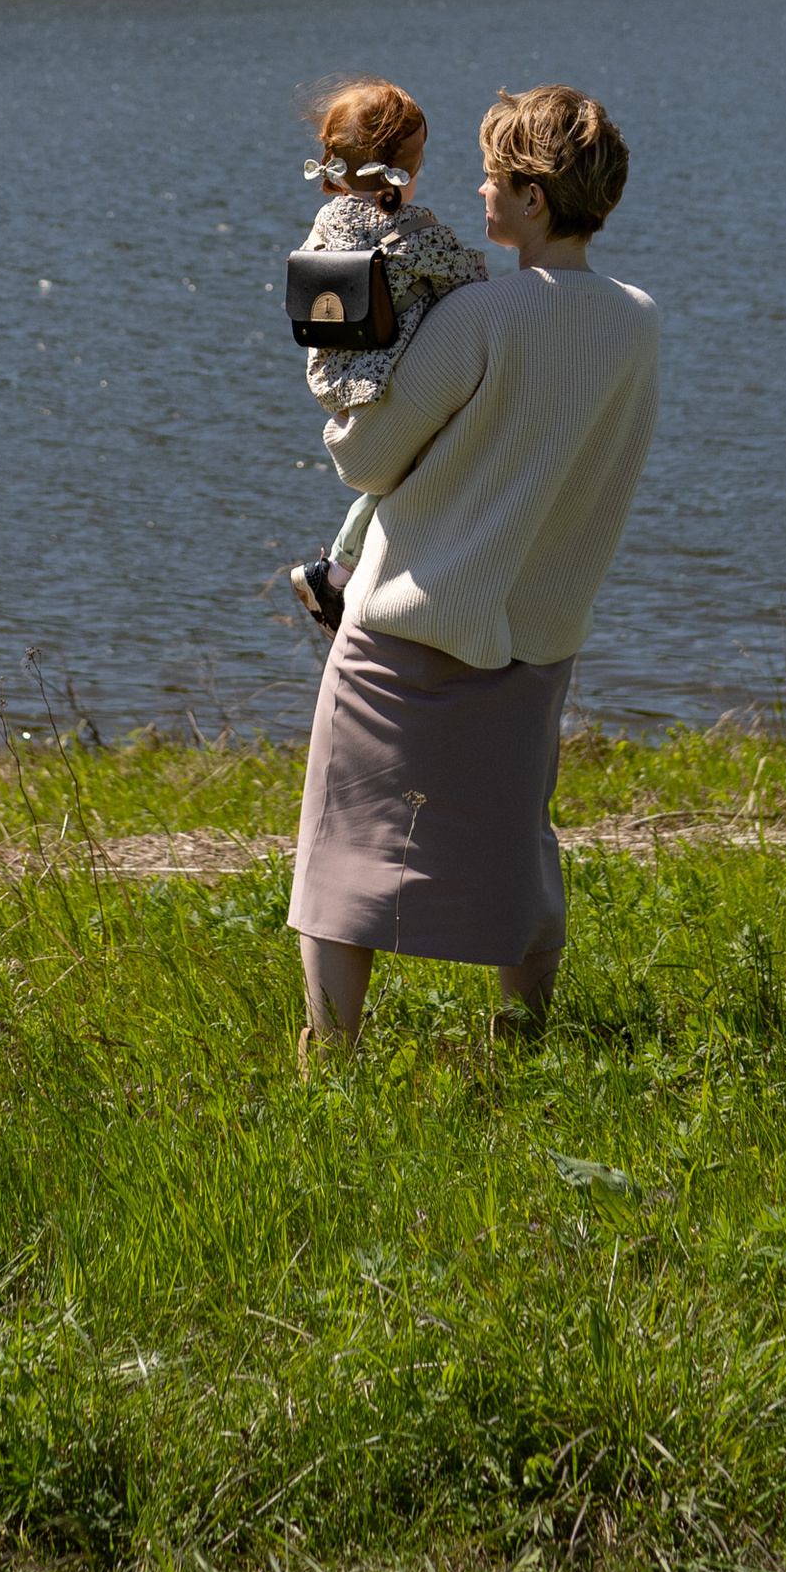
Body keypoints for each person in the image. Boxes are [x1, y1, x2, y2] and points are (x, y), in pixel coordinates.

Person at [285, 82, 659, 1068]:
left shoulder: (479, 316)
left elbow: (366, 462)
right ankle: (523, 1045)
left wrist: (339, 397)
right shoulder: (635, 320)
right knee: (513, 844)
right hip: (538, 631)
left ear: (535, 197)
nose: (480, 193)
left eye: (495, 178)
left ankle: (332, 1061)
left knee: (341, 853)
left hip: (409, 622)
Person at [285, 78, 489, 634]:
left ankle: (341, 573)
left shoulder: (329, 220)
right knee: (422, 466)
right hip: (385, 384)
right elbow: (472, 278)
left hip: (333, 374)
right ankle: (339, 574)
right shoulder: (415, 229)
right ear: (404, 168)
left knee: (394, 478)